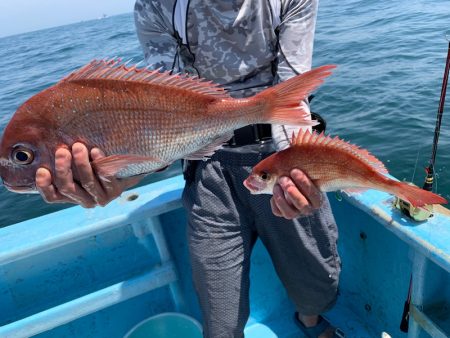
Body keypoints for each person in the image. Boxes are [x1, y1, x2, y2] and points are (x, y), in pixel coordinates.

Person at [35, 1, 343, 337]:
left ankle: (311, 320)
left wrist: (294, 174)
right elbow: (164, 109)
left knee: (315, 282)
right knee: (220, 316)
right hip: (207, 171)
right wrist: (122, 174)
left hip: (279, 156)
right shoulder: (158, 6)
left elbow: (292, 94)